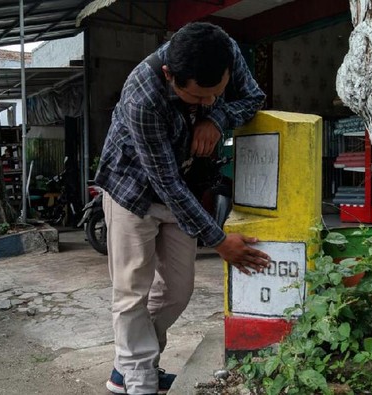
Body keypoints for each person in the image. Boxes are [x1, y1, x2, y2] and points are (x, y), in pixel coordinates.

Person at [94, 22, 270, 395]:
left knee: (178, 289)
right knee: (131, 289)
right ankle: (140, 381)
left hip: (183, 187)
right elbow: (165, 182)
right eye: (197, 98)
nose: (208, 101)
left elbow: (253, 97)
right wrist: (220, 241)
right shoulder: (143, 94)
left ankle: (127, 366)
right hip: (133, 189)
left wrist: (216, 119)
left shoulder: (224, 52)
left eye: (216, 94)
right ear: (169, 75)